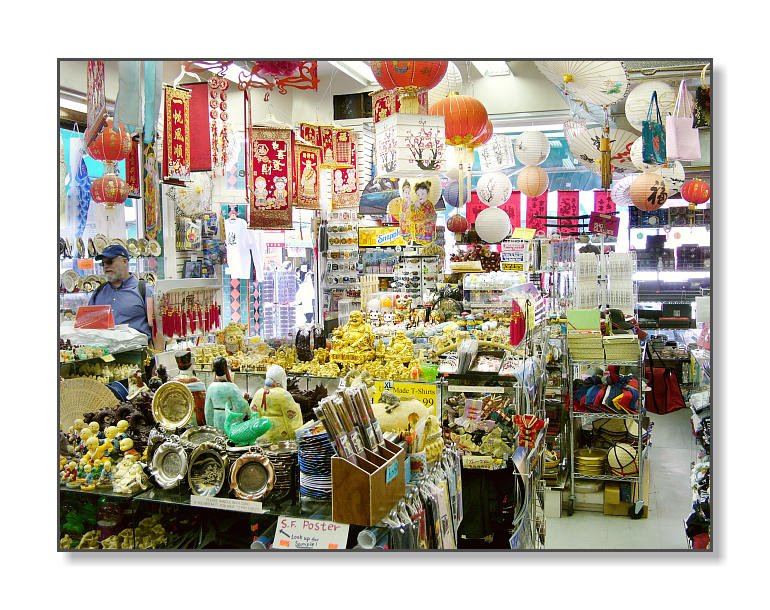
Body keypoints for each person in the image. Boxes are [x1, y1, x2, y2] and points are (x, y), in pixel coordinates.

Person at [89, 244, 155, 343]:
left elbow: (157, 328)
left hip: (137, 354)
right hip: (105, 354)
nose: (106, 266)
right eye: (103, 263)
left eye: (110, 262)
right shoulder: (98, 293)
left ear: (125, 262)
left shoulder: (145, 290)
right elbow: (88, 326)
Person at [204, 356, 250, 430]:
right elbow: (241, 406)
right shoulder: (232, 387)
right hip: (229, 419)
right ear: (226, 369)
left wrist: (210, 425)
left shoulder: (210, 388)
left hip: (216, 418)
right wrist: (245, 400)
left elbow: (207, 410)